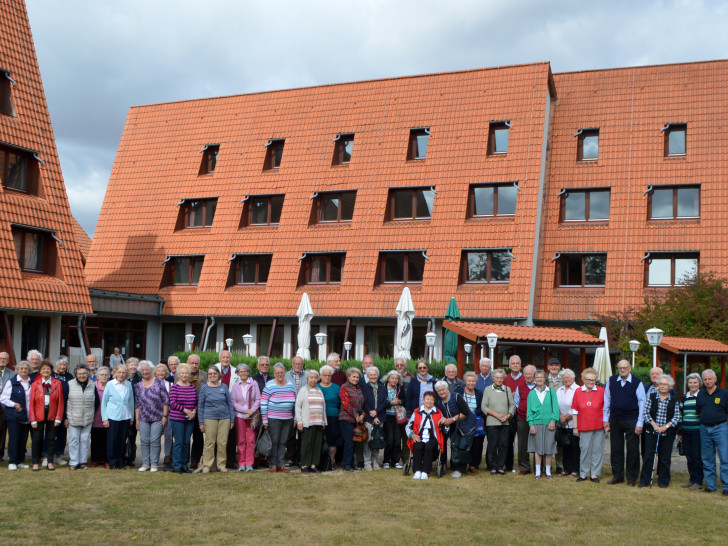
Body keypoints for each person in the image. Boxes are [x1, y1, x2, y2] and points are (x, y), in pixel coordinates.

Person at [603, 359, 645, 486]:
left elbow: (642, 403)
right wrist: (606, 419)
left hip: (632, 419)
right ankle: (618, 475)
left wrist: (640, 423)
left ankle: (631, 477)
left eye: (625, 367)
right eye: (620, 367)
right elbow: (607, 401)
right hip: (615, 419)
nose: (622, 369)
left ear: (630, 368)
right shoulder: (611, 381)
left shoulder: (637, 382)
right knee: (616, 448)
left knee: (632, 449)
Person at [638, 374, 680, 488]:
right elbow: (645, 413)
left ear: (670, 386)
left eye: (665, 384)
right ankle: (645, 480)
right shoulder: (651, 396)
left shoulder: (674, 399)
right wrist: (655, 426)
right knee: (648, 456)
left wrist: (665, 427)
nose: (662, 386)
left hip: (667, 432)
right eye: (660, 384)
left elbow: (676, 417)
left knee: (665, 457)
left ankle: (663, 480)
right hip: (652, 431)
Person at [696, 369, 728, 495]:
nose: (708, 381)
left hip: (720, 428)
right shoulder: (701, 394)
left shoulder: (724, 394)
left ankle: (726, 486)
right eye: (705, 379)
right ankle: (710, 486)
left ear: (715, 379)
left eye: (710, 379)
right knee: (707, 459)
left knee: (725, 458)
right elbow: (699, 410)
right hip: (704, 428)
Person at [572, 367, 606, 482]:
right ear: (583, 379)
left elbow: (606, 409)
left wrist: (607, 423)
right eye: (588, 380)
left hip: (598, 426)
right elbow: (575, 411)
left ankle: (595, 474)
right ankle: (583, 474)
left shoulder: (601, 391)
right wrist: (575, 427)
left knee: (597, 450)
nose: (590, 382)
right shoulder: (578, 391)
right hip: (584, 426)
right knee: (584, 450)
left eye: (593, 380)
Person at [198, 366, 235, 473]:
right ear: (208, 376)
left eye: (214, 373)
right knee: (209, 442)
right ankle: (207, 465)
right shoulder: (204, 388)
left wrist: (232, 420)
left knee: (222, 442)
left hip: (225, 418)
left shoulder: (224, 387)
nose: (212, 375)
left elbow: (230, 404)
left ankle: (221, 465)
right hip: (209, 418)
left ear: (218, 374)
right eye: (210, 374)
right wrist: (201, 422)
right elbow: (200, 406)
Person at [134, 361, 170, 472]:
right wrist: (137, 419)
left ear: (151, 370)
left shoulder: (159, 382)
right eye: (143, 370)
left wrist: (165, 416)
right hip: (144, 417)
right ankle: (145, 463)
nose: (145, 372)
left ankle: (154, 464)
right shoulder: (138, 385)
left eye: (147, 370)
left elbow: (166, 400)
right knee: (144, 440)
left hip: (158, 417)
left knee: (155, 440)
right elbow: (137, 404)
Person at [261, 362, 297, 473]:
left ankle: (281, 464)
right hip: (273, 418)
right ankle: (273, 465)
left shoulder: (290, 384)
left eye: (281, 372)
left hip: (288, 419)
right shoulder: (270, 385)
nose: (280, 375)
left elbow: (295, 402)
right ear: (274, 373)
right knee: (274, 441)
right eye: (277, 373)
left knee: (283, 442)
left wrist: (295, 417)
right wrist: (265, 420)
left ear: (285, 373)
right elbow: (263, 403)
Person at [29, 360, 64, 471]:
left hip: (52, 414)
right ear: (40, 371)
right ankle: (35, 462)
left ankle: (50, 461)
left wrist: (58, 418)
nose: (45, 371)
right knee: (36, 439)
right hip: (39, 413)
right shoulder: (35, 384)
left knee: (51, 439)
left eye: (48, 369)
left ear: (51, 371)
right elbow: (32, 403)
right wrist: (33, 419)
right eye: (43, 369)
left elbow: (60, 402)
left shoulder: (57, 383)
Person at [436, 379, 474, 478]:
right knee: (454, 445)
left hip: (467, 425)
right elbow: (442, 415)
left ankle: (460, 470)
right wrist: (444, 420)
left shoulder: (456, 396)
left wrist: (452, 419)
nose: (441, 392)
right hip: (454, 427)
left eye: (443, 389)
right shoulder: (439, 402)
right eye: (439, 391)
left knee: (462, 446)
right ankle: (455, 466)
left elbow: (465, 412)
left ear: (447, 389)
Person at [527, 370, 559, 479]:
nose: (539, 379)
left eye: (541, 377)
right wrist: (531, 424)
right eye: (537, 377)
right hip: (536, 424)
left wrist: (553, 421)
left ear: (545, 379)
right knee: (538, 449)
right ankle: (537, 472)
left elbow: (555, 408)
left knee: (549, 448)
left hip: (549, 424)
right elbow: (529, 411)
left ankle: (548, 471)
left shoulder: (551, 392)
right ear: (534, 379)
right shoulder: (531, 393)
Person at [481, 369, 515, 475]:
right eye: (497, 378)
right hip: (492, 422)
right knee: (493, 444)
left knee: (503, 445)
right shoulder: (487, 389)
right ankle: (492, 466)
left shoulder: (507, 389)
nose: (499, 380)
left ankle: (500, 466)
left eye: (501, 378)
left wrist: (508, 416)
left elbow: (512, 405)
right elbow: (483, 406)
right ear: (493, 378)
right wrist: (496, 415)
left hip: (505, 422)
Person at [101, 364, 135, 470]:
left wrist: (132, 418)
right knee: (112, 440)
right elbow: (104, 402)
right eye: (119, 372)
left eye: (123, 372)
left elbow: (131, 402)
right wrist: (105, 418)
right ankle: (112, 461)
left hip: (125, 417)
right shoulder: (110, 384)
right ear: (115, 373)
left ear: (126, 374)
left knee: (122, 440)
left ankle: (120, 461)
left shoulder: (128, 384)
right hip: (113, 417)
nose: (121, 374)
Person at [406, 391, 445, 480]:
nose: (429, 401)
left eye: (431, 400)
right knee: (418, 446)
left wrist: (444, 423)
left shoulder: (438, 412)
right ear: (423, 400)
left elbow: (445, 428)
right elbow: (408, 427)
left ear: (434, 401)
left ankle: (425, 471)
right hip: (419, 436)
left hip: (433, 438)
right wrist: (413, 435)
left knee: (429, 447)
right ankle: (417, 471)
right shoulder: (417, 411)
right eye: (427, 399)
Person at [66, 363, 98, 470]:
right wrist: (66, 417)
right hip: (74, 417)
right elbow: (65, 401)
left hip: (87, 417)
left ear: (88, 374)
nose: (82, 375)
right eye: (79, 373)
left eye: (84, 373)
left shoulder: (92, 385)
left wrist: (91, 413)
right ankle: (73, 462)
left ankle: (82, 462)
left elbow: (96, 401)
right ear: (76, 374)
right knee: (74, 440)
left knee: (84, 440)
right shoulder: (69, 384)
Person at [1, 360, 31, 470]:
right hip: (14, 416)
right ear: (17, 370)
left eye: (26, 368)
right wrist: (14, 404)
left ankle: (19, 461)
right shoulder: (11, 382)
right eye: (21, 368)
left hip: (27, 416)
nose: (23, 370)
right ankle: (12, 461)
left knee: (23, 439)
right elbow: (3, 398)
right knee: (14, 439)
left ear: (29, 370)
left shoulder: (31, 382)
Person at [295, 369, 327, 473]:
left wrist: (324, 422)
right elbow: (298, 407)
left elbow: (323, 407)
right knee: (306, 444)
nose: (313, 380)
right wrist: (299, 421)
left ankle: (314, 465)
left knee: (317, 444)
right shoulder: (303, 390)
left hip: (319, 422)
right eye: (311, 377)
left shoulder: (319, 390)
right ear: (307, 379)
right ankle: (304, 465)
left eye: (315, 378)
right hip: (307, 422)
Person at [230, 364, 260, 472]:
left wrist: (251, 411)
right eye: (240, 371)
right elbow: (233, 402)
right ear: (238, 373)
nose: (243, 373)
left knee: (251, 440)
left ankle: (250, 463)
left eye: (245, 371)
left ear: (248, 372)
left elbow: (258, 399)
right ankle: (242, 463)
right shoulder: (235, 385)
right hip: (240, 416)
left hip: (252, 417)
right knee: (241, 441)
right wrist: (245, 411)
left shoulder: (254, 383)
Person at [169, 363, 197, 473]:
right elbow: (172, 403)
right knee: (179, 442)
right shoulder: (175, 387)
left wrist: (194, 411)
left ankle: (184, 465)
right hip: (177, 419)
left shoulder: (192, 387)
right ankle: (177, 465)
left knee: (186, 442)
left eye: (186, 373)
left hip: (189, 419)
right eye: (182, 373)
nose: (185, 375)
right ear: (179, 374)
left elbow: (195, 402)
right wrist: (186, 411)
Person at [678, 372, 703, 490]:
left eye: (695, 382)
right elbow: (681, 414)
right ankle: (692, 479)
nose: (692, 385)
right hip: (686, 431)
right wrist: (680, 431)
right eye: (690, 382)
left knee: (697, 457)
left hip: (697, 432)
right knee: (689, 457)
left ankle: (698, 481)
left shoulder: (702, 396)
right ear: (687, 384)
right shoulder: (684, 396)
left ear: (699, 384)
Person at [456, 371, 485, 472]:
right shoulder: (459, 391)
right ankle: (462, 464)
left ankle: (474, 465)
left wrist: (474, 412)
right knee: (464, 443)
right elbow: (455, 405)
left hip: (475, 421)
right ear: (465, 381)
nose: (471, 383)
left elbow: (482, 407)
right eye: (469, 381)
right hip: (462, 421)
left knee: (477, 443)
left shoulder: (479, 393)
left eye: (473, 381)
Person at [338, 367, 365, 471]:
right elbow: (346, 404)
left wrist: (362, 415)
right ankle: (346, 464)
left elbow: (362, 403)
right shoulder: (344, 387)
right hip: (346, 418)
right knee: (349, 441)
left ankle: (352, 463)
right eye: (354, 376)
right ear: (349, 377)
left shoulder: (358, 388)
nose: (356, 379)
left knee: (354, 442)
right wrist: (357, 416)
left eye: (358, 377)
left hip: (356, 419)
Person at [48, 357, 72, 467]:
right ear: (56, 365)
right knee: (50, 433)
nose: (62, 367)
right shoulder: (51, 375)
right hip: (52, 409)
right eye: (60, 365)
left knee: (62, 434)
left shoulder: (69, 377)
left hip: (65, 408)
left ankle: (58, 456)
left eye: (64, 365)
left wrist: (67, 415)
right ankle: (47, 456)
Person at [555, 369, 580, 477]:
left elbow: (578, 406)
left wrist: (566, 417)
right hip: (562, 424)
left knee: (575, 447)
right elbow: (556, 405)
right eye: (564, 378)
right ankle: (566, 469)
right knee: (565, 447)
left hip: (573, 423)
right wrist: (561, 417)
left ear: (573, 378)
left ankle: (575, 470)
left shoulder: (578, 389)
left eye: (568, 377)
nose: (566, 380)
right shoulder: (559, 390)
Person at [284, 355, 308, 466]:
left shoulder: (307, 375)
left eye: (300, 364)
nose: (298, 365)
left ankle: (302, 458)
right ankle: (292, 458)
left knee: (303, 435)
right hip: (289, 410)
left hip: (304, 410)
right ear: (292, 364)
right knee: (290, 436)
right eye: (296, 363)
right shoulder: (286, 375)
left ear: (303, 365)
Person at [503, 355, 525, 472]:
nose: (515, 365)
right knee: (508, 439)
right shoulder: (505, 378)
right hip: (509, 413)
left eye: (517, 363)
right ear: (509, 366)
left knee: (522, 441)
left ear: (520, 365)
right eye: (513, 363)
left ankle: (523, 465)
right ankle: (509, 465)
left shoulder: (525, 378)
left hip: (522, 413)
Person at [361, 366, 387, 471]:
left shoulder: (382, 387)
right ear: (367, 376)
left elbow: (384, 402)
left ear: (378, 375)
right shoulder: (364, 387)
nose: (373, 376)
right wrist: (372, 414)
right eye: (371, 375)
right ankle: (367, 462)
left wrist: (377, 412)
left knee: (377, 439)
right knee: (368, 440)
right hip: (368, 418)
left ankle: (375, 461)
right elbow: (364, 402)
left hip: (380, 417)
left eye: (375, 374)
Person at [513, 364, 536, 474]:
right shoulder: (520, 387)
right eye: (526, 373)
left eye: (530, 373)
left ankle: (538, 467)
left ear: (534, 374)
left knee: (538, 442)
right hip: (522, 418)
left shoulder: (540, 386)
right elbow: (516, 402)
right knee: (522, 444)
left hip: (537, 419)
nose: (528, 375)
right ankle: (524, 467)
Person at [319, 365, 342, 470]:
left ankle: (332, 461)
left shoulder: (337, 388)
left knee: (333, 440)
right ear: (320, 376)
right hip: (318, 417)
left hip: (333, 417)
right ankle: (321, 462)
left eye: (329, 375)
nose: (327, 377)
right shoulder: (316, 387)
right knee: (320, 440)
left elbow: (342, 403)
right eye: (325, 375)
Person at [187, 354, 207, 469]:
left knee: (198, 437)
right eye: (192, 363)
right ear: (187, 362)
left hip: (199, 410)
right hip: (184, 411)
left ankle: (195, 460)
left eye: (196, 363)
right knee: (185, 437)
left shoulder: (204, 375)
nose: (194, 365)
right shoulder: (180, 374)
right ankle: (184, 459)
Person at [382, 370, 405, 469]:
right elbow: (381, 402)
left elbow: (405, 400)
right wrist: (390, 403)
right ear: (388, 378)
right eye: (392, 378)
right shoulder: (382, 388)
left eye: (396, 378)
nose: (394, 380)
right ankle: (386, 460)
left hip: (398, 416)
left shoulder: (400, 388)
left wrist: (400, 401)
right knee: (389, 439)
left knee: (397, 439)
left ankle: (395, 461)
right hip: (387, 416)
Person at [155, 363, 174, 468]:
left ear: (166, 373)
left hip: (168, 413)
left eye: (163, 371)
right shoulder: (152, 383)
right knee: (155, 436)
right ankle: (155, 457)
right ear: (155, 372)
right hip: (155, 413)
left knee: (168, 436)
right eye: (158, 371)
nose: (161, 373)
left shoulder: (170, 385)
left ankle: (167, 456)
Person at [394, 357, 412, 465]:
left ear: (405, 365)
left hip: (406, 410)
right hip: (393, 411)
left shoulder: (410, 377)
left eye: (401, 365)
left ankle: (405, 458)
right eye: (397, 365)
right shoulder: (392, 376)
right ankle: (395, 459)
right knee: (395, 437)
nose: (399, 367)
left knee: (406, 436)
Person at [90, 367, 110, 467]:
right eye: (102, 374)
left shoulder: (110, 386)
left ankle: (106, 459)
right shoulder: (92, 386)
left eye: (106, 375)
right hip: (95, 416)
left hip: (108, 417)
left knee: (107, 439)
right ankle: (95, 459)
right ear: (97, 376)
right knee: (95, 439)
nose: (104, 376)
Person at [125, 357, 142, 467]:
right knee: (122, 436)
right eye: (131, 365)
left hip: (135, 410)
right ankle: (121, 456)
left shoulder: (140, 379)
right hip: (123, 411)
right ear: (127, 366)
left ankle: (130, 458)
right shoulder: (122, 377)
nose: (133, 367)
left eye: (135, 365)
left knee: (132, 436)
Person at [0, 352, 15, 461]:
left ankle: (0, 454)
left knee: (2, 431)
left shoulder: (12, 374)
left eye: (5, 359)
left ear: (8, 361)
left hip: (5, 407)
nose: (2, 360)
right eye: (0, 358)